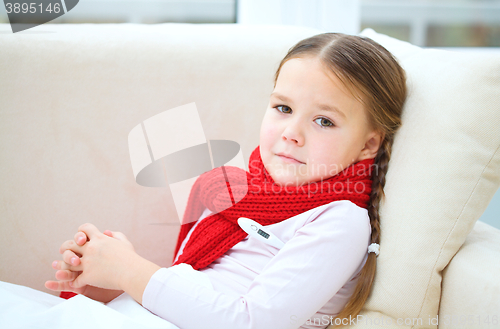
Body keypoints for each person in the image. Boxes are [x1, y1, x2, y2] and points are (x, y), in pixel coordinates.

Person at [44, 33, 407, 328]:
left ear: (368, 144)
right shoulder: (236, 190)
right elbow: (195, 291)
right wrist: (111, 282)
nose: (292, 133)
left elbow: (250, 321)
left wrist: (131, 270)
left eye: (324, 121)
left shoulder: (340, 220)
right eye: (283, 108)